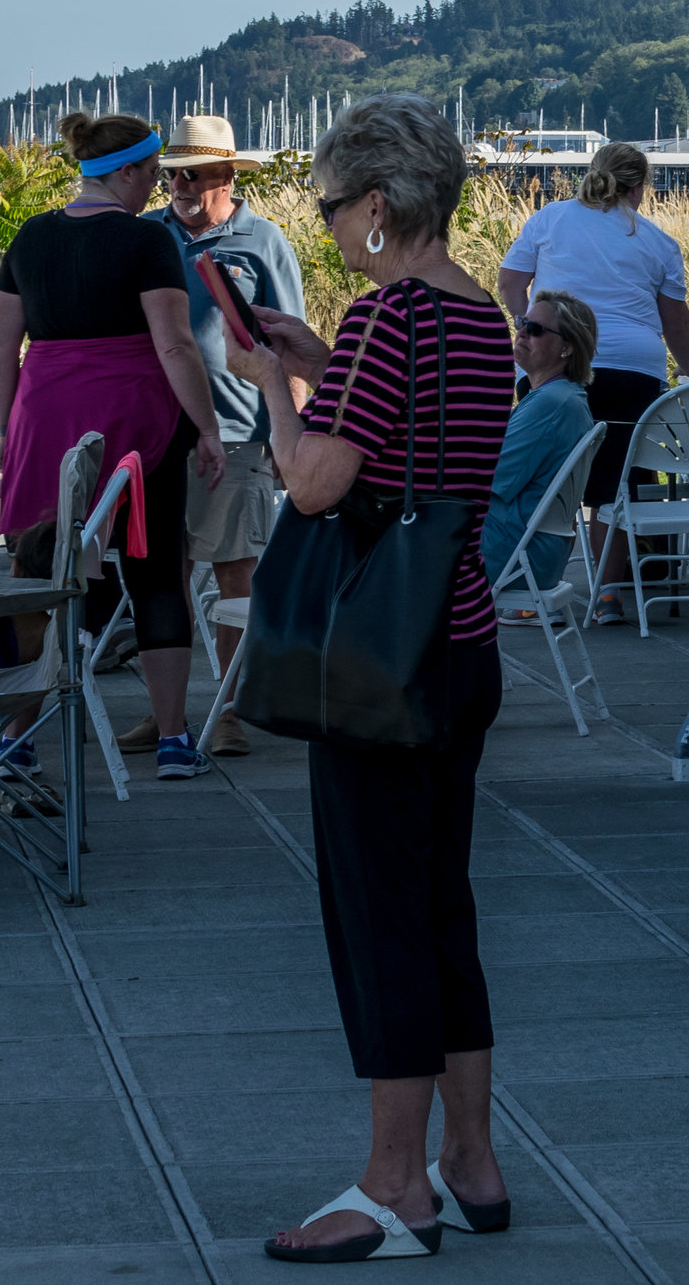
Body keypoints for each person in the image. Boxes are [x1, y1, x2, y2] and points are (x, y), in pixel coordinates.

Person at [224, 94, 516, 1262]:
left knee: (379, 915)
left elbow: (314, 483)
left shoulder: (387, 315)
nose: (332, 227)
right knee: (442, 903)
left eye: (336, 207)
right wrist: (319, 357)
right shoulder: (476, 314)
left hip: (377, 660)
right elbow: (419, 439)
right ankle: (473, 1159)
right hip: (461, 638)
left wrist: (272, 381)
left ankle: (394, 1183)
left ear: (381, 204)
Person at [0, 112, 224, 782]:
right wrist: (206, 426)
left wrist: (13, 431)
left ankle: (17, 736)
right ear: (123, 170)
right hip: (135, 422)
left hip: (48, 421)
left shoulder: (31, 236)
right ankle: (175, 739)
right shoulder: (145, 242)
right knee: (154, 572)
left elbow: (4, 346)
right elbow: (175, 344)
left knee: (42, 573)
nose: (157, 186)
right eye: (152, 172)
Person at [155, 112, 308, 755]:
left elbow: (292, 340)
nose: (182, 186)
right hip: (158, 432)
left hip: (240, 431)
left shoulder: (263, 240)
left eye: (195, 174)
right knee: (162, 578)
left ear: (226, 174)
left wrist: (287, 435)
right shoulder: (148, 237)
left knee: (234, 576)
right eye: (174, 175)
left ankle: (229, 710)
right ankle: (169, 716)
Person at [496, 142, 689, 624]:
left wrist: (533, 329)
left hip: (555, 363)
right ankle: (607, 595)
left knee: (546, 479)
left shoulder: (549, 219)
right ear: (638, 187)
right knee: (617, 483)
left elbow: (509, 282)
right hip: (634, 368)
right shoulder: (656, 240)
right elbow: (676, 322)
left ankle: (532, 592)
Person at [482, 289, 597, 616]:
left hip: (515, 554)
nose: (521, 332)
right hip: (535, 552)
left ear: (567, 347)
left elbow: (488, 478)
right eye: (522, 323)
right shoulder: (561, 397)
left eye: (535, 329)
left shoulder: (551, 404)